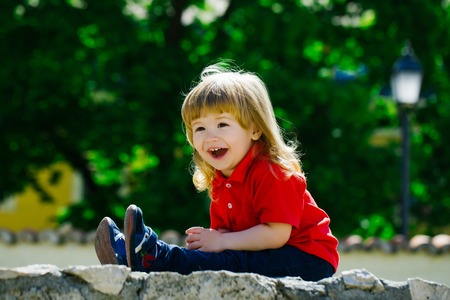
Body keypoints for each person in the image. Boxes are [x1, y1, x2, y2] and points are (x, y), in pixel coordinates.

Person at [94, 62, 339, 281]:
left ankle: (155, 258)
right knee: (222, 261)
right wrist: (211, 243)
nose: (210, 136)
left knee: (231, 263)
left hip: (308, 258)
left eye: (222, 124)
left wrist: (221, 241)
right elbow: (227, 241)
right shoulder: (222, 182)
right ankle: (137, 258)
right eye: (199, 128)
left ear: (254, 130)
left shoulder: (274, 173)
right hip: (268, 254)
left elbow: (277, 234)